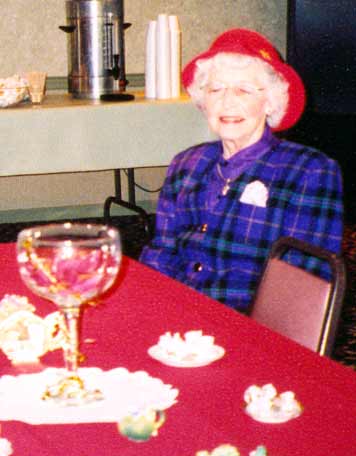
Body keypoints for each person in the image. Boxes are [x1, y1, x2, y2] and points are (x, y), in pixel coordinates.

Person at [140, 28, 343, 312]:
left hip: (251, 327)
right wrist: (148, 309)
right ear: (203, 100)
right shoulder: (185, 164)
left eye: (244, 90)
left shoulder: (310, 171)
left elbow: (303, 284)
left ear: (271, 101)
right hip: (179, 317)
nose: (227, 102)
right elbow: (162, 252)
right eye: (216, 89)